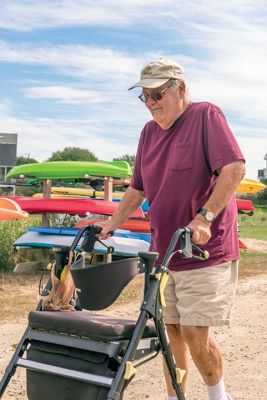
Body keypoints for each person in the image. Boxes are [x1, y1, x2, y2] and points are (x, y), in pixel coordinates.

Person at [99, 58, 246, 400]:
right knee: (171, 334)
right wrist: (111, 223)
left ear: (180, 89)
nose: (151, 104)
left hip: (204, 251)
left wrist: (205, 217)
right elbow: (137, 189)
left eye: (157, 94)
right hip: (165, 255)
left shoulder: (205, 116)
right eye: (145, 97)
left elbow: (234, 168)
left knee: (196, 332)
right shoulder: (148, 133)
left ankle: (217, 397)